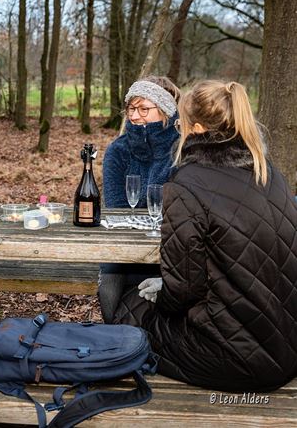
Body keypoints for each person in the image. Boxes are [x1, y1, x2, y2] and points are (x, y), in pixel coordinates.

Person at [111, 80, 297, 391]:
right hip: (287, 346)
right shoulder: (268, 172)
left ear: (195, 128)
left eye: (181, 122)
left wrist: (163, 290)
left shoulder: (187, 183)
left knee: (127, 307)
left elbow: (183, 291)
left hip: (240, 360)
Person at [98, 76, 181, 322]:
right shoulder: (118, 150)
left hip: (170, 248)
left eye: (144, 109)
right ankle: (116, 343)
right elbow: (116, 210)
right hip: (125, 247)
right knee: (110, 278)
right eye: (131, 108)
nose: (134, 116)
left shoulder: (181, 150)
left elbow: (182, 212)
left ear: (166, 112)